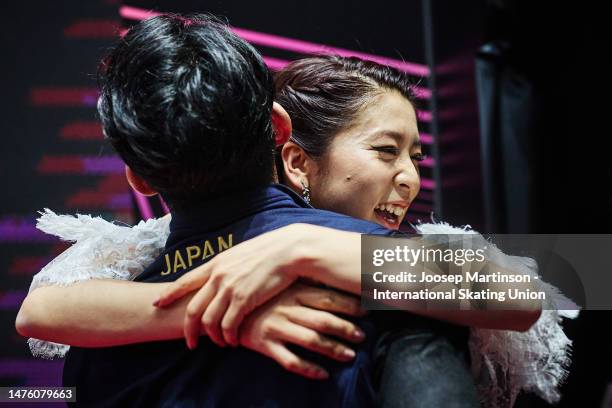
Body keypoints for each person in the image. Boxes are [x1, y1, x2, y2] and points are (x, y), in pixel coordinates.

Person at [15, 13, 570, 408]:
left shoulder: (101, 344)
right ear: (288, 144)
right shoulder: (401, 293)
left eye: (416, 155)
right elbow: (554, 288)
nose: (409, 175)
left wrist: (298, 245)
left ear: (135, 174)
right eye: (385, 149)